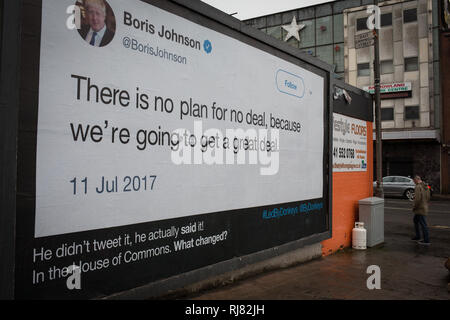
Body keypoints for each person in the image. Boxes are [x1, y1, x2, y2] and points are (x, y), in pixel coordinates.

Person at [411, 175, 431, 245]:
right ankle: (418, 236)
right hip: (424, 206)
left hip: (420, 208)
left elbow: (417, 199)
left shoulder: (418, 187)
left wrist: (414, 207)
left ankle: (426, 240)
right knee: (415, 221)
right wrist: (425, 203)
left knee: (423, 224)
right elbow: (428, 197)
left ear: (416, 180)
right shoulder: (426, 186)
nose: (413, 182)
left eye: (414, 181)